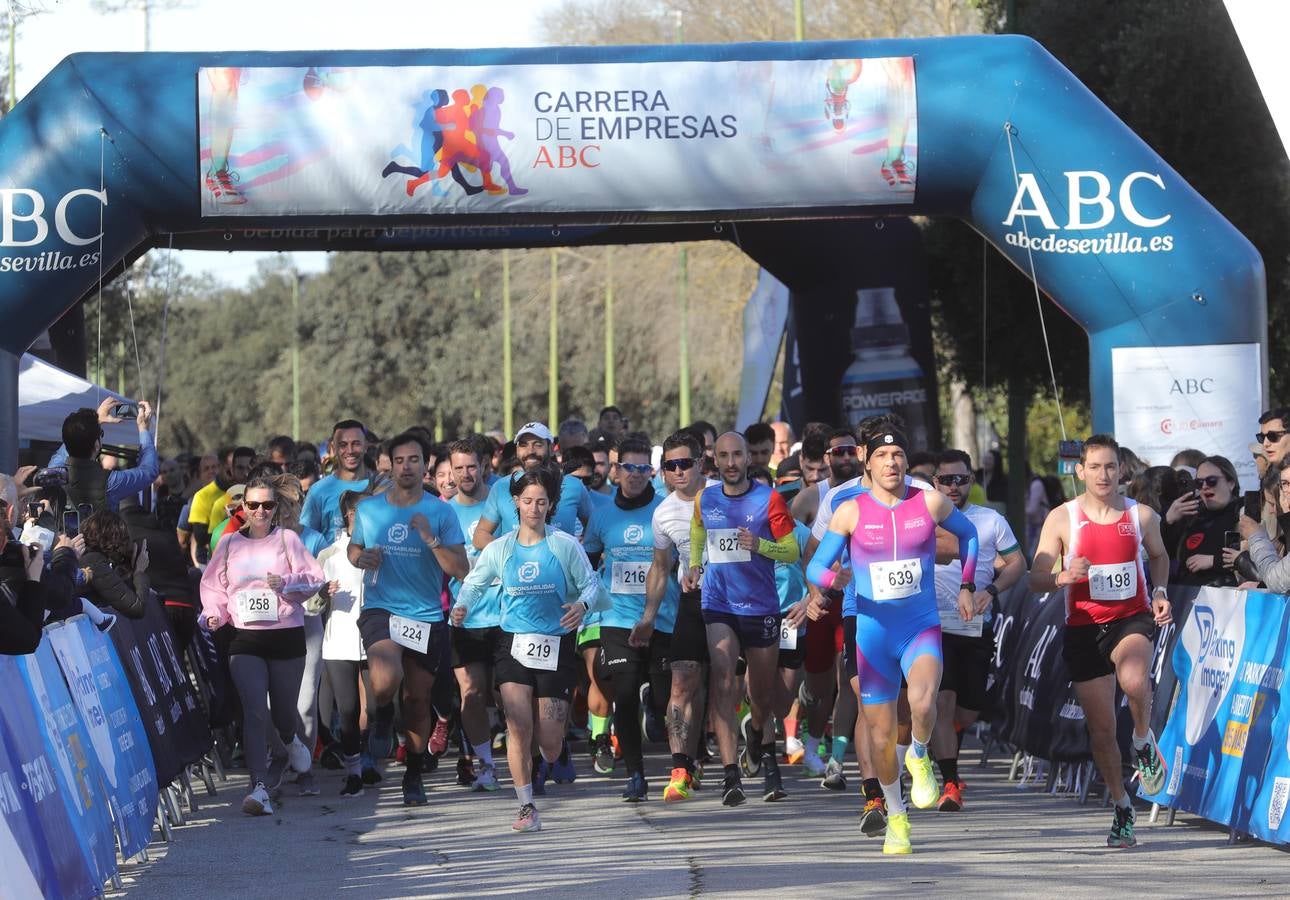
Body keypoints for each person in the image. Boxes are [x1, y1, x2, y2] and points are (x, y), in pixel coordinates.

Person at [807, 428, 980, 855]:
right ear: (867, 460)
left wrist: (967, 585)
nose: (891, 462)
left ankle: (919, 753)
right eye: (882, 454)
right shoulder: (850, 511)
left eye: (898, 454)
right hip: (872, 634)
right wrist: (834, 579)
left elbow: (970, 535)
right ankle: (896, 816)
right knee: (881, 735)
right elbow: (814, 567)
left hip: (919, 626)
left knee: (924, 704)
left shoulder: (929, 501)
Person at [1029, 434, 1172, 849]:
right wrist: (1063, 577)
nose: (1104, 475)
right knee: (1102, 731)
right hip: (1084, 629)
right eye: (1095, 467)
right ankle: (1121, 804)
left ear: (1121, 470)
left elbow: (1159, 557)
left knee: (1133, 679)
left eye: (1111, 466)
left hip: (1132, 618)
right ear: (1081, 471)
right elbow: (1035, 576)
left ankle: (1143, 740)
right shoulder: (1062, 518)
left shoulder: (1140, 515)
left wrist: (1159, 593)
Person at [452, 468, 608, 833]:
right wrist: (462, 606)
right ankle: (526, 807)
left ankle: (553, 752)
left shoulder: (564, 545)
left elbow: (593, 586)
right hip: (513, 644)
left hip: (556, 643)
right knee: (517, 726)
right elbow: (474, 584)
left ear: (550, 504)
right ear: (516, 504)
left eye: (540, 501)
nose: (533, 508)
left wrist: (582, 607)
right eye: (527, 501)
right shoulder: (501, 548)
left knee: (549, 743)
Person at [349, 432, 468, 806]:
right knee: (384, 679)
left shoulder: (441, 511)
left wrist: (431, 540)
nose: (405, 467)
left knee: (417, 701)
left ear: (425, 464)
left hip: (426, 616)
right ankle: (381, 713)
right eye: (398, 460)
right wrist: (359, 558)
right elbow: (355, 546)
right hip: (381, 608)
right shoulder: (369, 509)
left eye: (413, 460)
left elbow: (461, 568)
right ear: (389, 464)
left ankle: (414, 773)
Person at [686, 432, 802, 806]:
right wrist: (692, 564)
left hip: (761, 607)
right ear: (714, 461)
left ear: (747, 459)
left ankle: (757, 738)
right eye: (724, 456)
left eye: (737, 455)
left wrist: (760, 545)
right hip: (719, 604)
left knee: (762, 695)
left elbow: (790, 550)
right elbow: (698, 530)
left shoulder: (768, 499)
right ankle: (730, 774)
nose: (731, 462)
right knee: (722, 679)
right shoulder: (707, 497)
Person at [200, 477, 326, 817]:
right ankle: (258, 786)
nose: (259, 511)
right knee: (254, 710)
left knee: (285, 715)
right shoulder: (228, 545)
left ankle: (289, 744)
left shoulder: (288, 540)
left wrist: (285, 583)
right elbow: (214, 586)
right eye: (253, 505)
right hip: (245, 639)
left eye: (267, 505)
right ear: (243, 508)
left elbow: (315, 579)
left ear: (276, 509)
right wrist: (214, 615)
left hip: (286, 636)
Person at [928, 450, 1025, 812]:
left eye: (961, 479)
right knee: (943, 699)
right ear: (934, 481)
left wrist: (991, 590)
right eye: (945, 479)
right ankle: (950, 781)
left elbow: (1018, 564)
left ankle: (941, 750)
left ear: (971, 481)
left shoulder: (990, 521)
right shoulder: (921, 517)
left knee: (966, 712)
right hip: (931, 626)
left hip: (973, 625)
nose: (953, 487)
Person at [583, 435, 675, 801]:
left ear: (651, 472)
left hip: (663, 616)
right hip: (617, 618)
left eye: (642, 468)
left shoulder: (667, 509)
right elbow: (588, 564)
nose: (635, 475)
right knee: (622, 693)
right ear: (616, 468)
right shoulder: (602, 515)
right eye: (628, 467)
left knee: (665, 700)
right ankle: (635, 775)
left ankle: (653, 702)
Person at [639, 429, 714, 803]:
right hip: (694, 600)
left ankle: (758, 756)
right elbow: (659, 566)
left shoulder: (721, 495)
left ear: (701, 463)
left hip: (738, 601)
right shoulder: (663, 512)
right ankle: (680, 767)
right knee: (682, 682)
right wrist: (649, 616)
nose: (679, 471)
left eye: (686, 463)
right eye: (671, 466)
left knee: (733, 689)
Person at [445, 440, 504, 793]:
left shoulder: (501, 504)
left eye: (471, 466)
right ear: (449, 472)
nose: (466, 474)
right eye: (458, 468)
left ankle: (525, 759)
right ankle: (486, 765)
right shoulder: (444, 512)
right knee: (471, 693)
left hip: (505, 615)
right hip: (464, 619)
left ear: (483, 466)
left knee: (508, 694)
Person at [318, 489, 372, 797]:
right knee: (349, 709)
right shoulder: (329, 554)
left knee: (377, 706)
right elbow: (310, 604)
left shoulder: (382, 550)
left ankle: (367, 757)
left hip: (376, 640)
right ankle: (354, 772)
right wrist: (322, 594)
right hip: (339, 641)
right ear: (350, 515)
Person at [50, 398, 159, 514]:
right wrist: (143, 428)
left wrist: (93, 424)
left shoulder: (54, 475)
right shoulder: (110, 481)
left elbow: (66, 446)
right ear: (96, 445)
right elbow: (149, 471)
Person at [1168, 456, 1241, 587]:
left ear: (1231, 483)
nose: (1205, 486)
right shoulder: (1193, 515)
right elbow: (1161, 555)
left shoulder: (1242, 513)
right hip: (1186, 598)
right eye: (1199, 483)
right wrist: (1168, 522)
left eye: (1212, 481)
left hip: (1226, 598)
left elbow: (1252, 558)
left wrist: (1213, 561)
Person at [303, 420, 374, 541]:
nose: (350, 451)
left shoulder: (382, 486)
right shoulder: (318, 491)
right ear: (333, 448)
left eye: (356, 443)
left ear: (366, 446)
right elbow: (306, 540)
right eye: (343, 445)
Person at [189, 446, 254, 566]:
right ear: (232, 470)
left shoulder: (269, 500)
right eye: (240, 468)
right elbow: (212, 543)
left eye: (250, 468)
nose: (246, 473)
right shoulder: (220, 504)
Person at [77, 510, 149, 619]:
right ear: (113, 538)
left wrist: (130, 570)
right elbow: (136, 608)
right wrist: (139, 572)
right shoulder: (94, 562)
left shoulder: (89, 557)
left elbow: (119, 595)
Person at [792, 428, 860, 527]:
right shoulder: (807, 498)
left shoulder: (874, 491)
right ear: (827, 458)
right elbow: (792, 540)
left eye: (851, 451)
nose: (846, 457)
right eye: (839, 452)